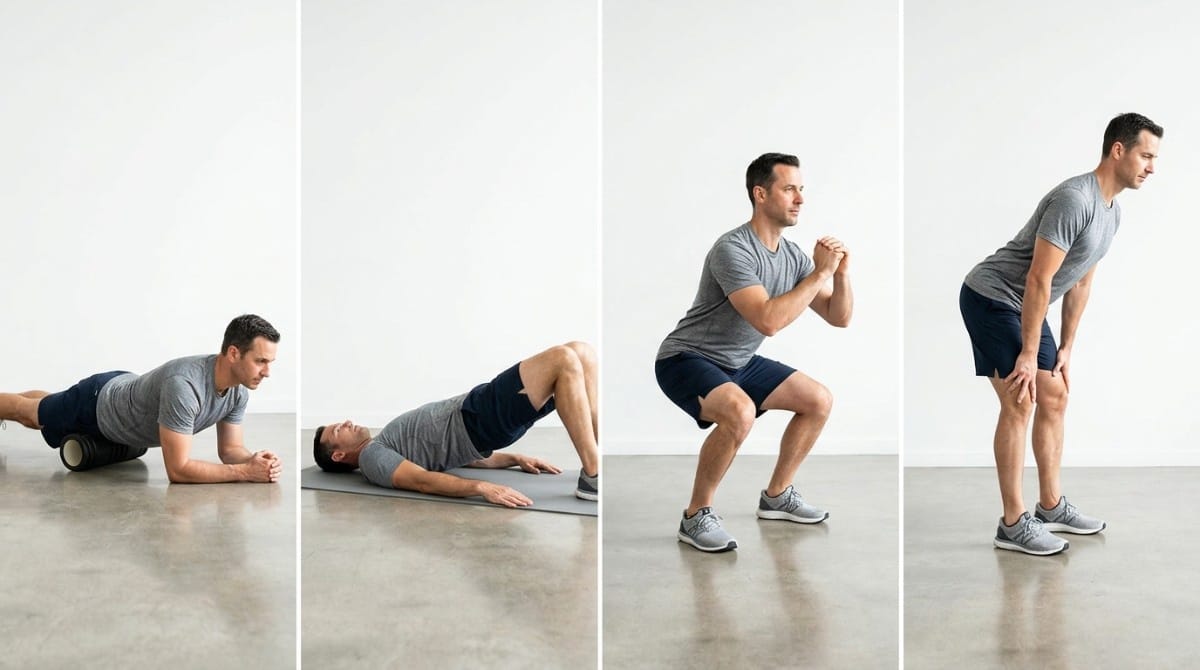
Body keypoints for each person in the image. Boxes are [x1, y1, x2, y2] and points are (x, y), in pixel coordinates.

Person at [960, 112, 1162, 555]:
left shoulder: (1112, 213)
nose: (1151, 167)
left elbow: (1080, 280)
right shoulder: (1076, 199)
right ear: (1118, 150)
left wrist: (1068, 345)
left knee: (1055, 396)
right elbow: (1038, 278)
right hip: (991, 296)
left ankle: (1050, 507)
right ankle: (1013, 524)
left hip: (1022, 304)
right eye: (1146, 155)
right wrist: (1029, 354)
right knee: (1021, 397)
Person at [656, 152, 853, 553]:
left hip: (737, 362)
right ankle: (696, 515)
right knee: (739, 411)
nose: (800, 199)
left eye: (801, 189)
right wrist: (819, 273)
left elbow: (838, 316)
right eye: (789, 189)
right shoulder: (733, 249)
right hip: (686, 358)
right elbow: (768, 320)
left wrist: (841, 274)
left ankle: (777, 496)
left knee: (818, 400)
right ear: (760, 194)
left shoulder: (794, 256)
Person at [0, 314, 282, 484]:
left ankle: (49, 404)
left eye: (270, 363)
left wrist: (255, 461)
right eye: (261, 361)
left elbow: (231, 450)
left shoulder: (238, 392)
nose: (268, 372)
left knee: (46, 406)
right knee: (29, 414)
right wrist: (245, 473)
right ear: (234, 353)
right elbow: (179, 470)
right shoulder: (184, 386)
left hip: (122, 397)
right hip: (97, 404)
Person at [313, 341, 599, 506]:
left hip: (480, 417)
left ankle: (597, 467)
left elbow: (447, 456)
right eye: (339, 429)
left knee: (580, 353)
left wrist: (514, 458)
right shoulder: (373, 457)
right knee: (564, 358)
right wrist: (481, 488)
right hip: (478, 415)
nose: (348, 422)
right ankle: (593, 477)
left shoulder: (383, 446)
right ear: (338, 455)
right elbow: (422, 481)